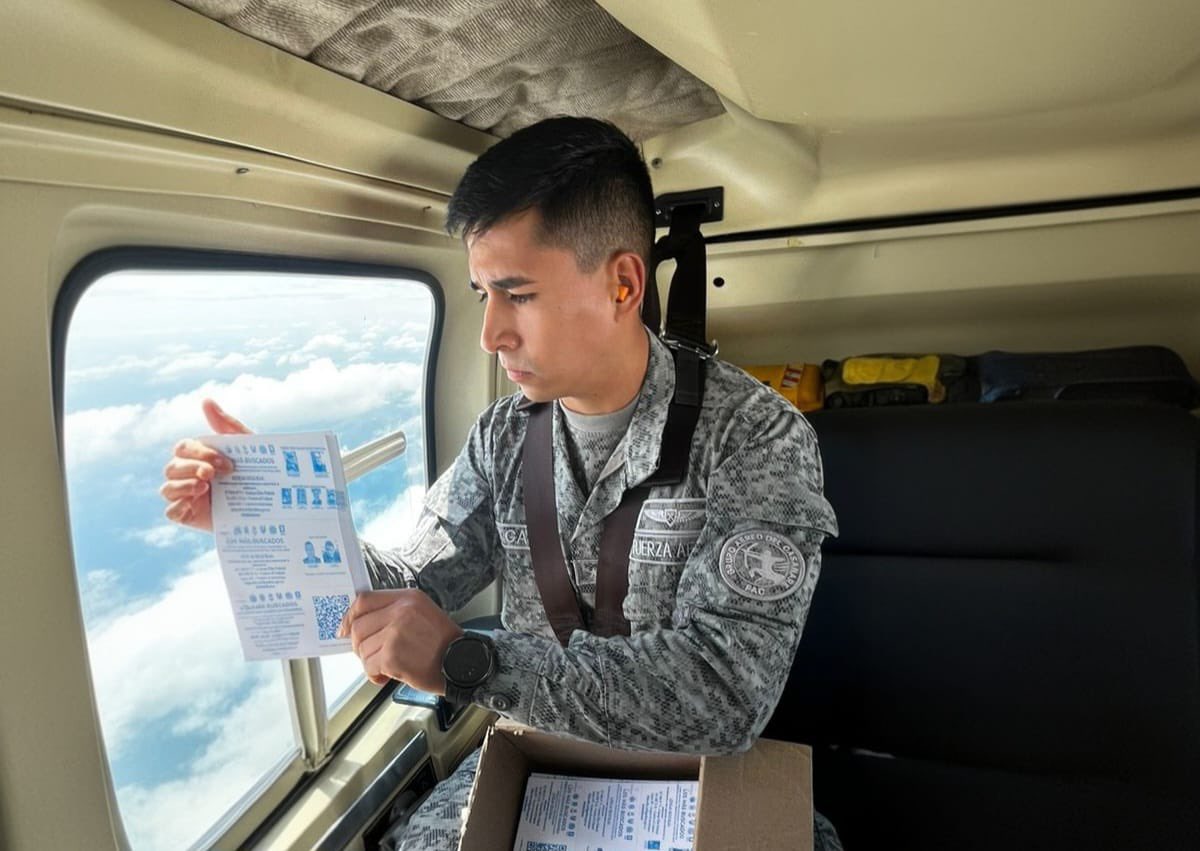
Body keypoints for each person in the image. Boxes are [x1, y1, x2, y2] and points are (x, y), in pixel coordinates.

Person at [159, 117, 841, 850]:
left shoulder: (755, 437)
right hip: (532, 764)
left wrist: (468, 661)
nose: (490, 334)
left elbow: (721, 695)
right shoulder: (504, 437)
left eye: (517, 294)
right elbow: (410, 583)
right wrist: (268, 511)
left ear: (622, 283)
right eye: (482, 293)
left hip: (703, 775)